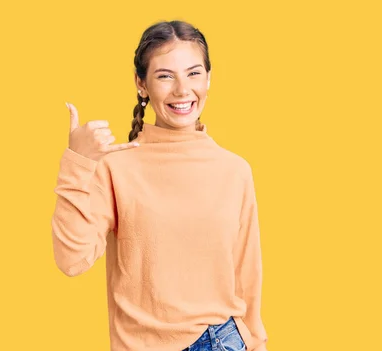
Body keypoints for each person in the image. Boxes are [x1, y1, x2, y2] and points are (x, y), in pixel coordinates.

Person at [51, 20, 268, 351]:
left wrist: (257, 342)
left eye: (194, 73)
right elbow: (71, 261)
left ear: (209, 78)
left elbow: (247, 274)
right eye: (165, 76)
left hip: (222, 341)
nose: (182, 90)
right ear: (142, 84)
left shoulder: (235, 170)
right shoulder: (115, 167)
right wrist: (78, 163)